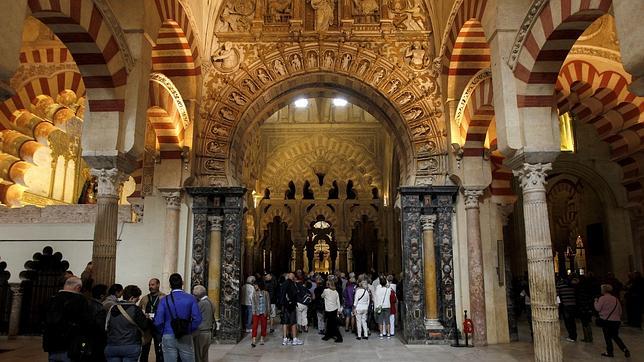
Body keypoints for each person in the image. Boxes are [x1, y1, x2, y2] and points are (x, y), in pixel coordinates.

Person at [43, 276, 93, 362]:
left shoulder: (52, 299)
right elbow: (87, 323)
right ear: (78, 287)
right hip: (71, 346)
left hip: (52, 344)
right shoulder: (80, 300)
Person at [154, 273, 202, 362]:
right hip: (185, 334)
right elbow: (197, 319)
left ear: (170, 285)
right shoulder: (190, 298)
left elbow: (158, 321)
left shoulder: (164, 300)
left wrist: (163, 331)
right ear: (182, 283)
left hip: (168, 334)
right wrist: (188, 329)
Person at [105, 285, 147, 362]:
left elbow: (107, 326)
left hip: (112, 346)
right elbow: (144, 326)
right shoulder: (135, 309)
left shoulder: (112, 308)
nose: (138, 299)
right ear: (131, 298)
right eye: (137, 298)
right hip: (130, 346)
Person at [595, 284, 630, 358]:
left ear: (603, 290)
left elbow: (598, 308)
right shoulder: (615, 299)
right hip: (616, 321)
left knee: (607, 338)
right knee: (615, 336)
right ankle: (625, 349)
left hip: (606, 321)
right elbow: (620, 311)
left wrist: (595, 302)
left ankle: (610, 352)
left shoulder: (602, 298)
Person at [139, 278, 165, 362]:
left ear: (158, 285)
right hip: (147, 328)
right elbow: (139, 312)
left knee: (159, 351)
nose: (150, 287)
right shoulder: (144, 298)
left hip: (159, 328)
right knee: (144, 351)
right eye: (149, 285)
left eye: (153, 284)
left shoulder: (164, 297)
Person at [192, 285, 214, 362]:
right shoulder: (210, 301)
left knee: (198, 357)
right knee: (204, 357)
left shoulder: (201, 304)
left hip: (201, 333)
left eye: (194, 295)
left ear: (197, 295)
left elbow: (194, 316)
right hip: (208, 332)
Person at [280, 273, 303, 346]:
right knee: (293, 322)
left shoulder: (283, 284)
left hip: (284, 305)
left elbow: (281, 294)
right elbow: (295, 294)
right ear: (293, 278)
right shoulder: (292, 284)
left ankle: (285, 339)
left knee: (285, 322)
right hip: (291, 306)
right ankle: (294, 339)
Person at [88, 284, 108, 362]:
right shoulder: (100, 308)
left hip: (88, 339)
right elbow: (101, 327)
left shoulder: (87, 304)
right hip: (97, 341)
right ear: (102, 296)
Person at [556, 277, 578, 342]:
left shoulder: (560, 286)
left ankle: (571, 336)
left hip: (566, 305)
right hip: (573, 305)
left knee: (568, 321)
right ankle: (574, 335)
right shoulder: (572, 286)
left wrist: (558, 304)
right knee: (572, 321)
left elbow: (557, 295)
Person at [250, 280, 270, 347]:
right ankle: (254, 340)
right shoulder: (254, 293)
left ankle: (262, 338)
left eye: (255, 285)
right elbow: (253, 303)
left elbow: (268, 303)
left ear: (259, 285)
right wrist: (253, 311)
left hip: (264, 311)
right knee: (254, 326)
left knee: (264, 325)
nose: (254, 286)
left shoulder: (266, 293)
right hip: (256, 312)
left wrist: (268, 313)